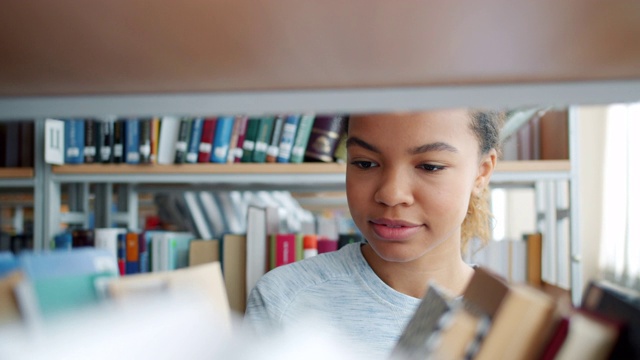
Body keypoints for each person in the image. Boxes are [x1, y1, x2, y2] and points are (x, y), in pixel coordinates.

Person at [243, 109, 502, 358]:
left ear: (482, 172)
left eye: (430, 167)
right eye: (365, 163)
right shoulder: (284, 300)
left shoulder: (513, 319)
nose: (391, 194)